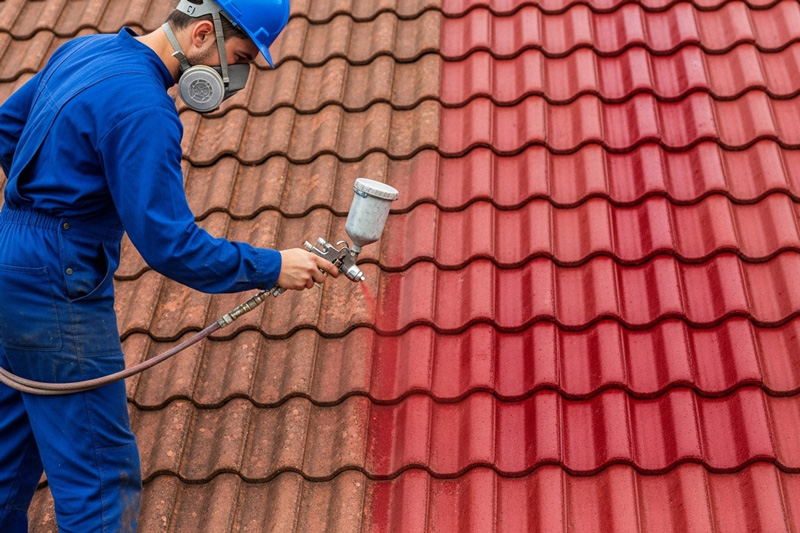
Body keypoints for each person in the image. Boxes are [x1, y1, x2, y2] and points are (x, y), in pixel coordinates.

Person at [0, 0, 335, 531]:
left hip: (10, 264)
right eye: (240, 59)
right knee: (99, 478)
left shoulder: (86, 48)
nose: (235, 80)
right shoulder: (145, 108)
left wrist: (58, 195)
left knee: (7, 459)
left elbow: (7, 129)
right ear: (204, 34)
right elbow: (171, 246)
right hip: (55, 285)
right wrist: (273, 266)